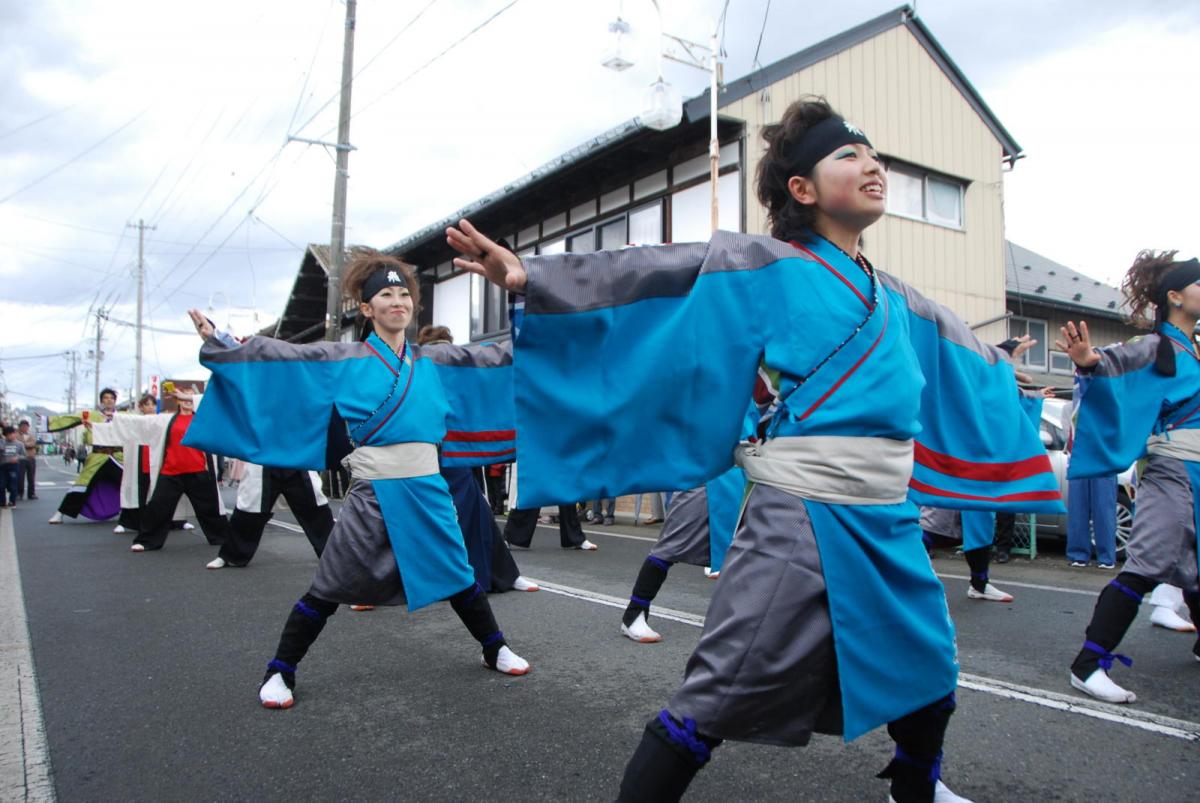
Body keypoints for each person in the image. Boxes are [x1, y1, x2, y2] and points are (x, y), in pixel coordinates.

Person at [448, 96, 1060, 803]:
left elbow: (962, 348)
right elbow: (658, 270)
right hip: (800, 516)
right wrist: (533, 277)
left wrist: (1003, 360)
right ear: (801, 189)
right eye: (848, 156)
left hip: (887, 518)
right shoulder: (764, 261)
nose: (872, 166)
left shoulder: (896, 297)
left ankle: (914, 789)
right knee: (715, 696)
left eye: (873, 155)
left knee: (928, 665)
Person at [181, 251, 530, 710]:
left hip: (428, 487)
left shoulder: (434, 361)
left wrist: (521, 300)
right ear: (366, 309)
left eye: (404, 293)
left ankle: (494, 646)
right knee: (328, 585)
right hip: (372, 492)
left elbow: (502, 358)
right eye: (385, 294)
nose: (397, 301)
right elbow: (282, 357)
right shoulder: (342, 358)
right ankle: (280, 670)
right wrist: (222, 341)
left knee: (458, 574)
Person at [1058, 250, 1200, 704]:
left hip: (1196, 473)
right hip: (1174, 470)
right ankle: (1087, 664)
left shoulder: (1194, 347)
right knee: (1144, 567)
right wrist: (1087, 360)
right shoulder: (1159, 345)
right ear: (1174, 296)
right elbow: (1112, 361)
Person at [89, 388, 230, 551]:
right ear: (177, 401)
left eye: (191, 397)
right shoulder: (165, 420)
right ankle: (148, 540)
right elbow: (137, 425)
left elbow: (221, 406)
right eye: (184, 397)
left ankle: (223, 538)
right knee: (158, 507)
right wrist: (104, 423)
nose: (187, 400)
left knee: (209, 507)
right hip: (171, 471)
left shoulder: (205, 419)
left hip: (198, 470)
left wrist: (191, 396)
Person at [205, 462, 333, 569]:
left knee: (316, 508)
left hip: (296, 456)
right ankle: (231, 555)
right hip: (263, 458)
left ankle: (336, 555)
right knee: (249, 508)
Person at [47, 389, 124, 524]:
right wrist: (46, 421)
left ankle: (135, 516)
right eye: (105, 398)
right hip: (98, 457)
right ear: (101, 401)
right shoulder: (91, 415)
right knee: (82, 486)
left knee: (130, 485)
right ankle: (60, 513)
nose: (109, 400)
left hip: (118, 457)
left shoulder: (123, 416)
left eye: (112, 398)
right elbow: (71, 418)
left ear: (115, 401)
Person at [17, 420, 38, 500]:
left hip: (31, 458)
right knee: (20, 477)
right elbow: (17, 444)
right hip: (21, 458)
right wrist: (26, 445)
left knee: (31, 477)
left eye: (27, 426)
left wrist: (23, 444)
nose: (25, 428)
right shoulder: (16, 435)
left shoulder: (31, 435)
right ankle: (19, 493)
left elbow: (33, 444)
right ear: (20, 427)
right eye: (23, 426)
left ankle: (31, 494)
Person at [1, 426, 21, 508]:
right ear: (5, 435)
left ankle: (12, 502)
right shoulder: (1, 442)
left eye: (13, 434)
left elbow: (24, 455)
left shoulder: (19, 444)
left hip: (13, 466)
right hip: (2, 466)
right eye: (9, 434)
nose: (11, 436)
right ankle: (2, 502)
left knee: (13, 485)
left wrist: (17, 457)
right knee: (1, 485)